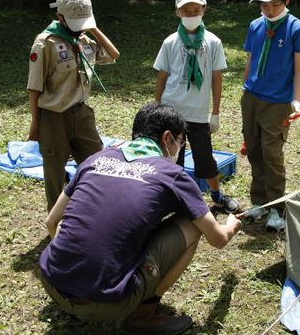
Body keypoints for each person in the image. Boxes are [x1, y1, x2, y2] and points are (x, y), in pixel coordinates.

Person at [39, 102, 242, 335]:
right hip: (108, 304)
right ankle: (145, 314)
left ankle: (75, 285)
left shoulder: (95, 160)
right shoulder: (172, 175)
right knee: (191, 224)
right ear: (168, 138)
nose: (179, 149)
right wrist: (230, 225)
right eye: (180, 142)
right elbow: (217, 239)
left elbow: (51, 222)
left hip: (53, 285)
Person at [27, 0, 120, 212]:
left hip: (82, 114)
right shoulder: (45, 43)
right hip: (54, 118)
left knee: (98, 165)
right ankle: (56, 225)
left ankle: (98, 214)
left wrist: (93, 28)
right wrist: (36, 124)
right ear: (59, 16)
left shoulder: (85, 39)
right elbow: (34, 88)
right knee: (54, 175)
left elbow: (113, 54)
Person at [154, 0, 240, 213]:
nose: (191, 14)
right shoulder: (170, 42)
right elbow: (162, 77)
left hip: (198, 114)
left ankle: (217, 195)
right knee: (173, 159)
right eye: (186, 10)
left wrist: (216, 112)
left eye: (195, 10)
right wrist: (157, 107)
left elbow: (216, 78)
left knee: (205, 158)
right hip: (172, 111)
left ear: (204, 9)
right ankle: (173, 199)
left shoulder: (213, 42)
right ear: (177, 12)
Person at [241, 0, 300, 230]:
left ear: (287, 0)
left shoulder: (297, 29)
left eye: (274, 5)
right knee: (254, 149)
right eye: (263, 5)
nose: (268, 11)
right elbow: (250, 60)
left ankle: (277, 209)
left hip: (278, 102)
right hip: (252, 97)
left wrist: (295, 99)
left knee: (272, 153)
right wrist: (245, 89)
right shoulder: (255, 25)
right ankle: (258, 202)